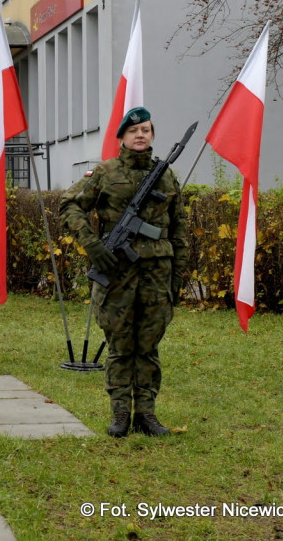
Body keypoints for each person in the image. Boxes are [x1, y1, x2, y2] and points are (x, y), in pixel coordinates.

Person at [59, 107, 187, 438]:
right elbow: (68, 204)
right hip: (116, 273)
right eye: (133, 131)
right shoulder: (104, 172)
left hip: (157, 276)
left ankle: (147, 413)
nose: (140, 135)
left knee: (148, 347)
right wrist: (92, 245)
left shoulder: (168, 177)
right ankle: (120, 413)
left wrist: (177, 280)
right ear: (122, 138)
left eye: (145, 129)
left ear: (152, 135)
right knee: (119, 346)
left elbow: (179, 231)